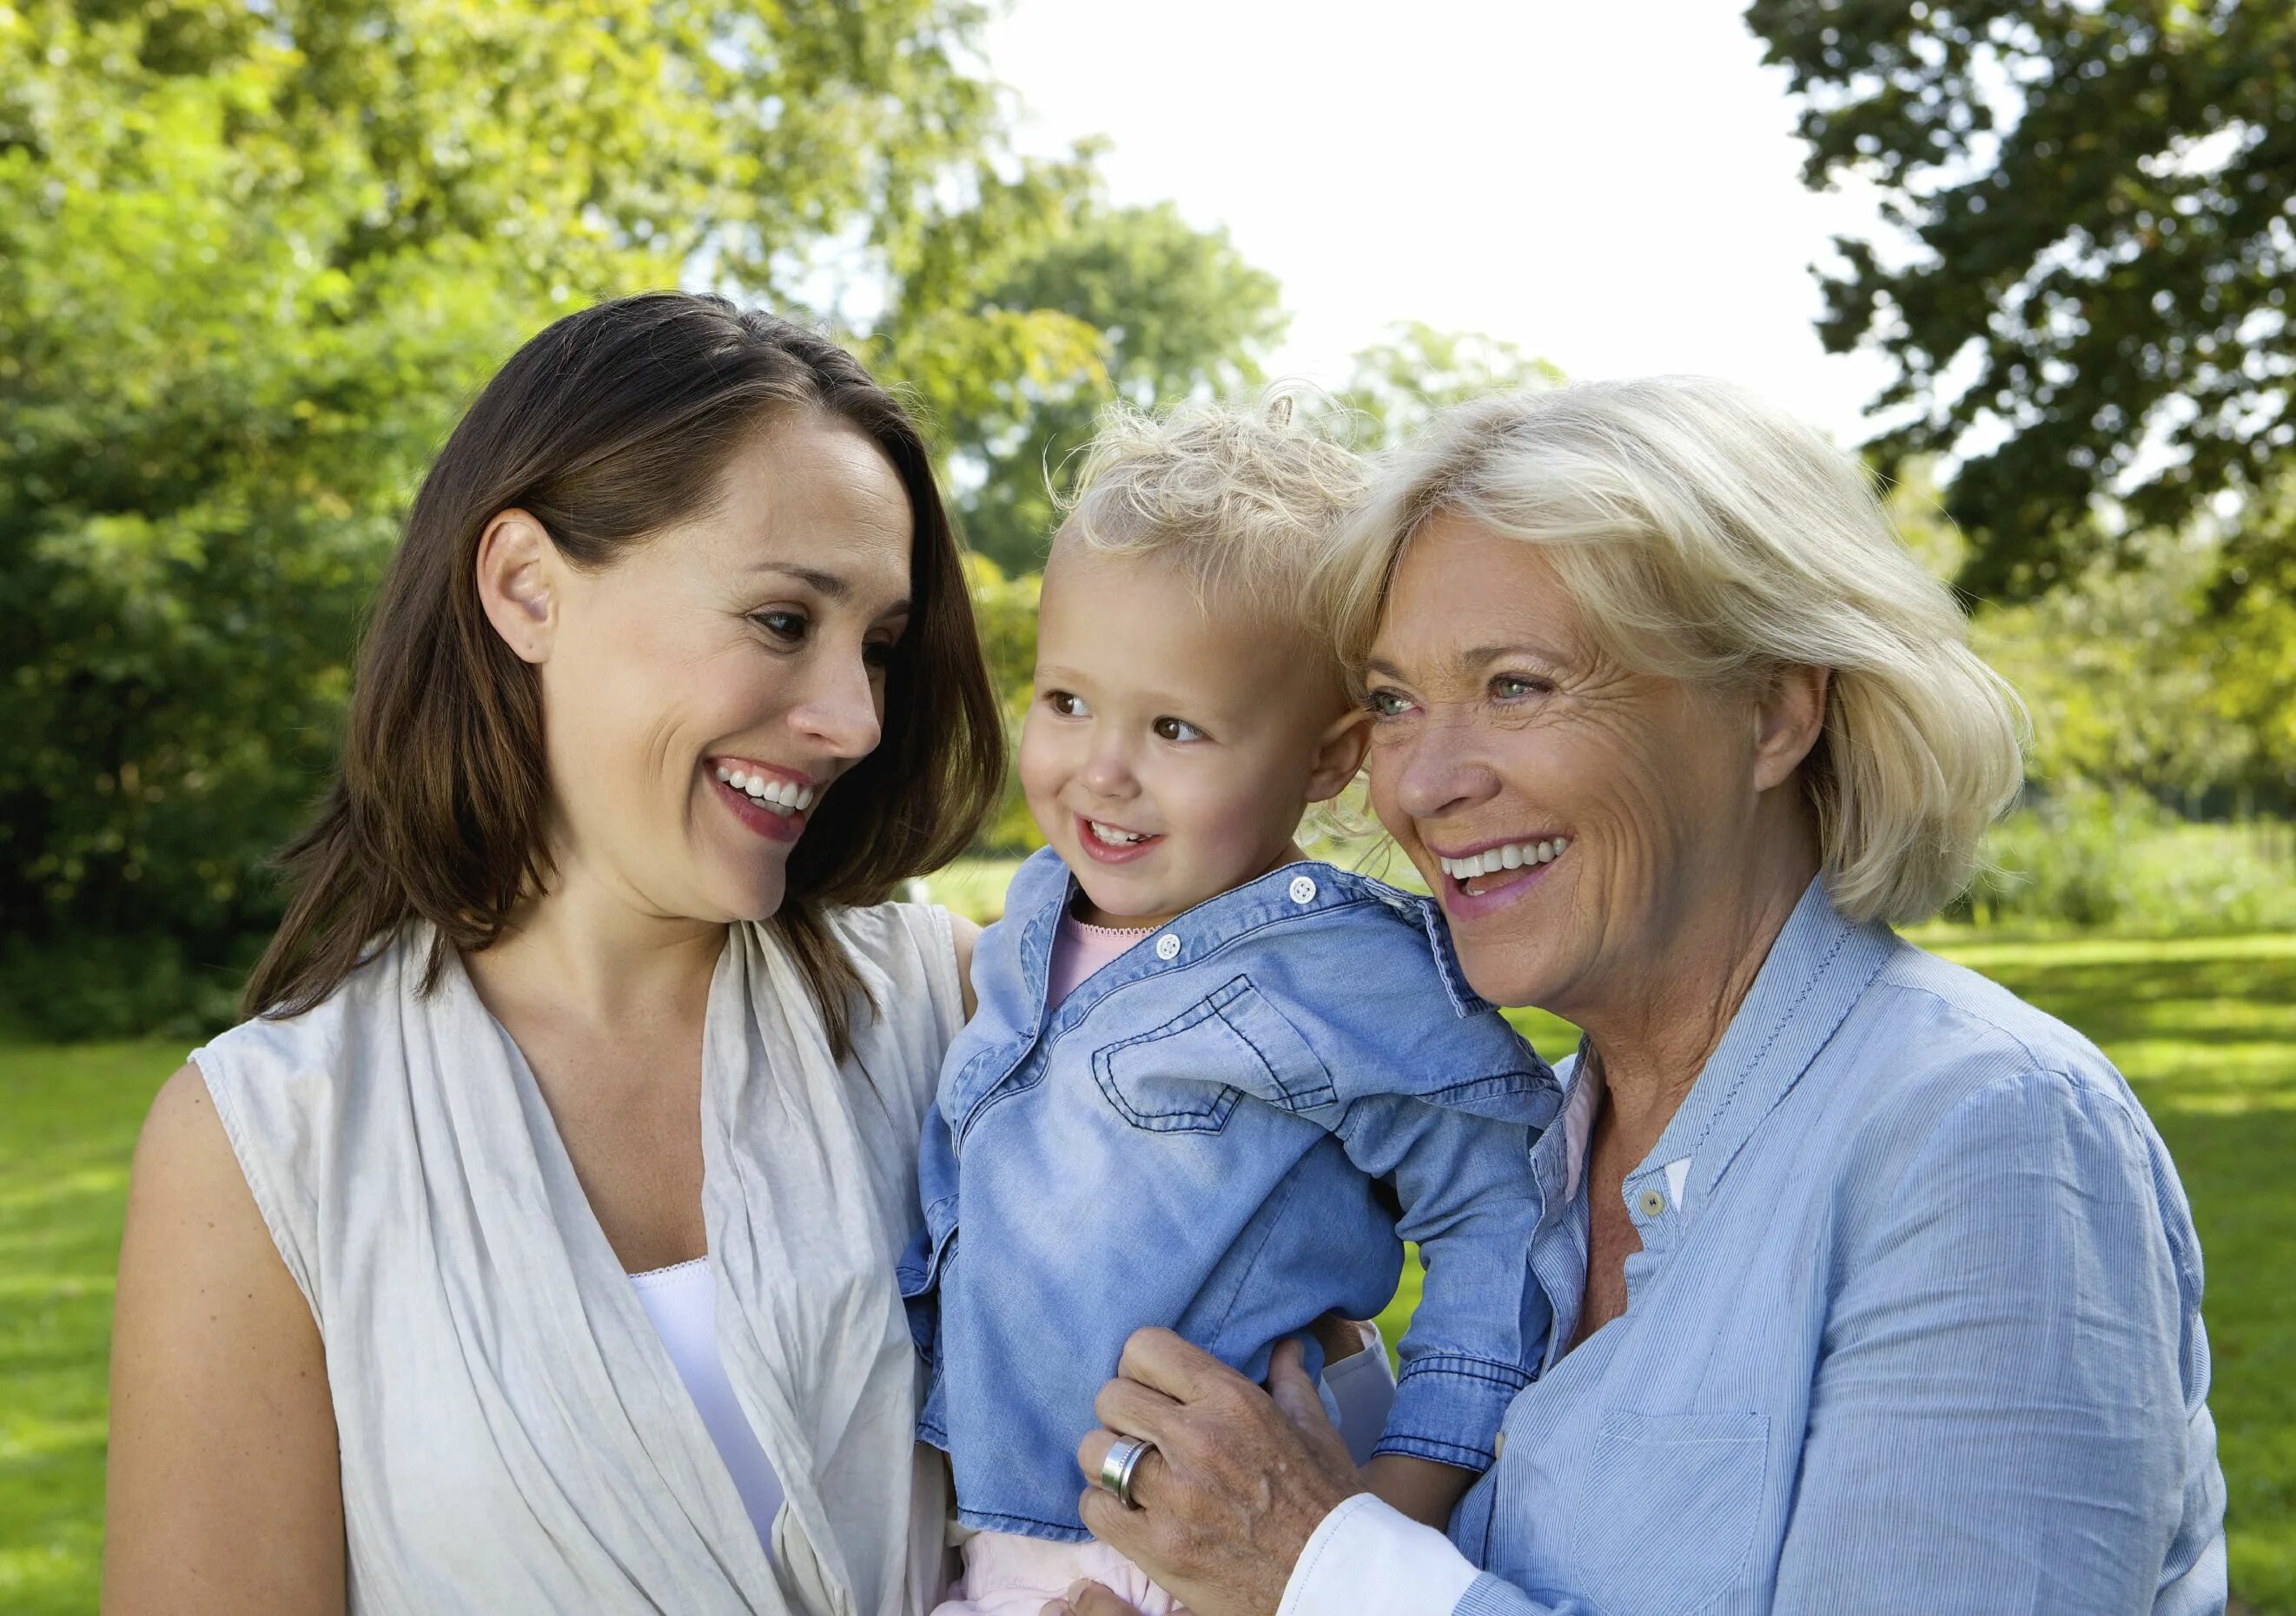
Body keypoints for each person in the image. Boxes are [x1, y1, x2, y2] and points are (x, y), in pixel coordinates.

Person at [1050, 378, 2228, 1616]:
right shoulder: (1529, 1151)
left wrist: (1317, 1569)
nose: (1426, 785)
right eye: (1396, 704)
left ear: (1771, 714)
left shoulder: (1989, 1138)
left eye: (1517, 684)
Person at [102, 292, 1004, 1614]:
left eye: (876, 647)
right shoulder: (268, 1148)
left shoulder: (958, 1019)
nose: (854, 718)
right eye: (780, 621)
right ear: (527, 586)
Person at [909, 404, 1558, 1616]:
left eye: (1175, 727)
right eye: (1065, 702)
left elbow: (1502, 1201)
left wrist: (1399, 1495)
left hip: (1187, 1545)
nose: (1102, 768)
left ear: (1325, 760)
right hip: (995, 1521)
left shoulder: (1335, 968)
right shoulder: (1035, 925)